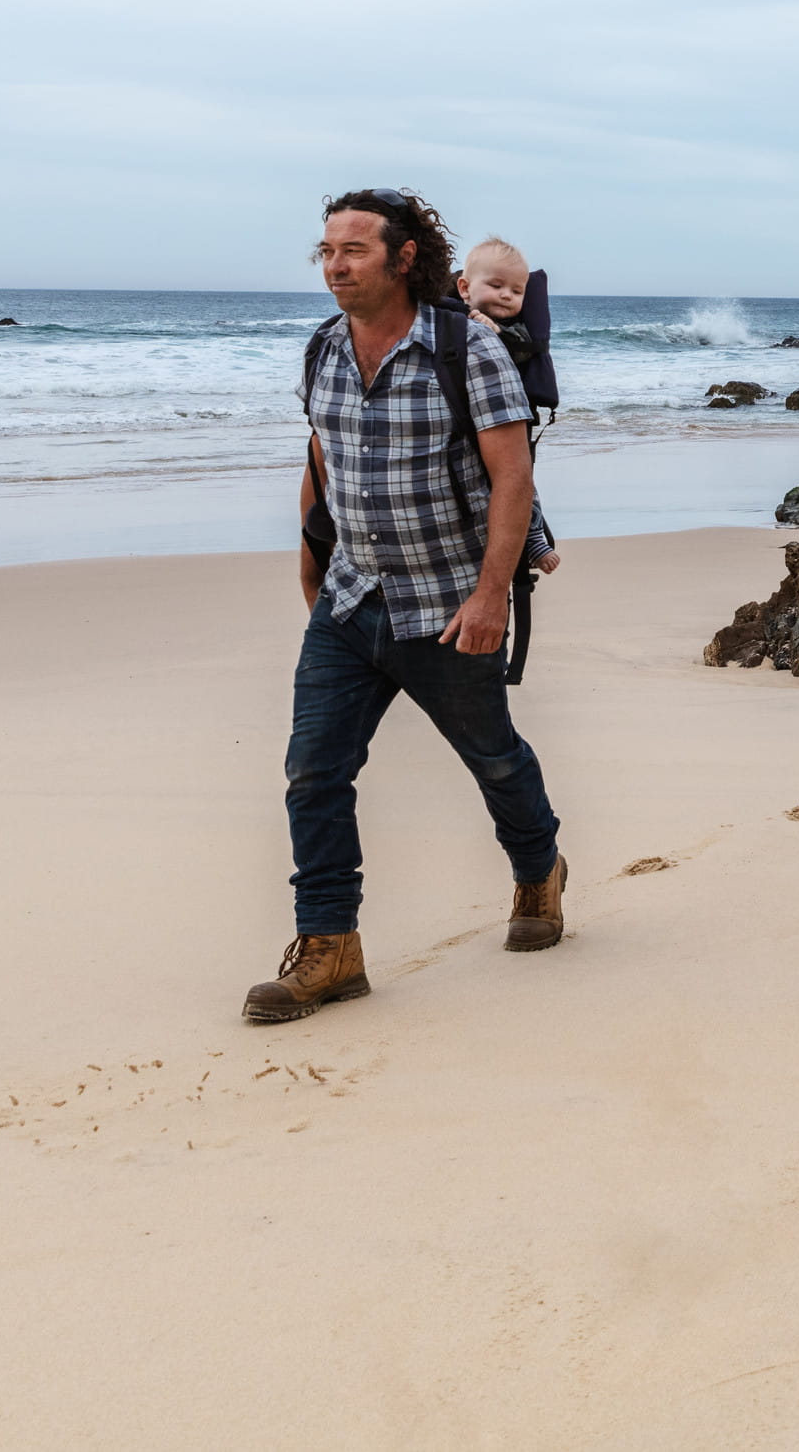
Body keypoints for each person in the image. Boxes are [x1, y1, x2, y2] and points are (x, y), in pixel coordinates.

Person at [248, 189, 566, 1026]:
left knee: (493, 758)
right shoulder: (321, 350)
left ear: (404, 257)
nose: (335, 265)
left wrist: (492, 592)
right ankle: (330, 947)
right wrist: (312, 561)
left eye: (353, 249)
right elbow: (323, 457)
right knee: (313, 771)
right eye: (325, 251)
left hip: (447, 603)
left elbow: (512, 477)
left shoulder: (467, 351)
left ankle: (540, 869)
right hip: (352, 600)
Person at [458, 238, 564, 582]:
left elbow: (519, 350)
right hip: (466, 427)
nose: (507, 295)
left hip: (508, 425)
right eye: (496, 285)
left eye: (517, 291)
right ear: (465, 287)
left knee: (521, 484)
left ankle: (533, 537)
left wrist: (496, 334)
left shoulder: (516, 330)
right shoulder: (448, 323)